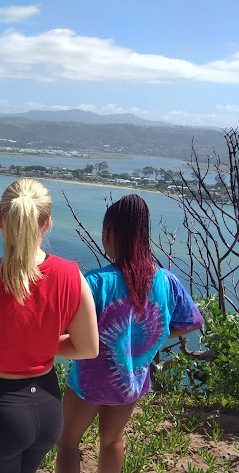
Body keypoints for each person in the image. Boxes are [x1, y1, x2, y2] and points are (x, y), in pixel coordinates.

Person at [0, 178, 99, 473]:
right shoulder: (72, 275)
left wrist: (7, 343)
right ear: (47, 223)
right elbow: (88, 348)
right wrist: (40, 343)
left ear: (0, 220)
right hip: (48, 408)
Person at [56, 194, 204, 473]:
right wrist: (155, 336)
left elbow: (63, 328)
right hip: (130, 382)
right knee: (112, 440)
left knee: (67, 442)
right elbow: (192, 322)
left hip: (89, 381)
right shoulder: (166, 281)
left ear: (109, 233)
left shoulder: (95, 283)